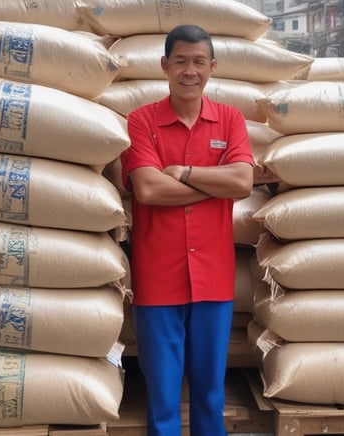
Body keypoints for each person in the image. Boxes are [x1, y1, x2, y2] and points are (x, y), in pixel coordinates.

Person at [120, 24, 254, 435]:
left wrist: (186, 173)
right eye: (180, 61)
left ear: (212, 67)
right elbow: (147, 189)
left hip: (214, 278)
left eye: (198, 62)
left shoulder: (230, 119)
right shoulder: (141, 122)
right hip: (158, 275)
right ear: (165, 65)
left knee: (210, 397)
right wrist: (214, 184)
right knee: (162, 399)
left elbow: (244, 183)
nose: (189, 71)